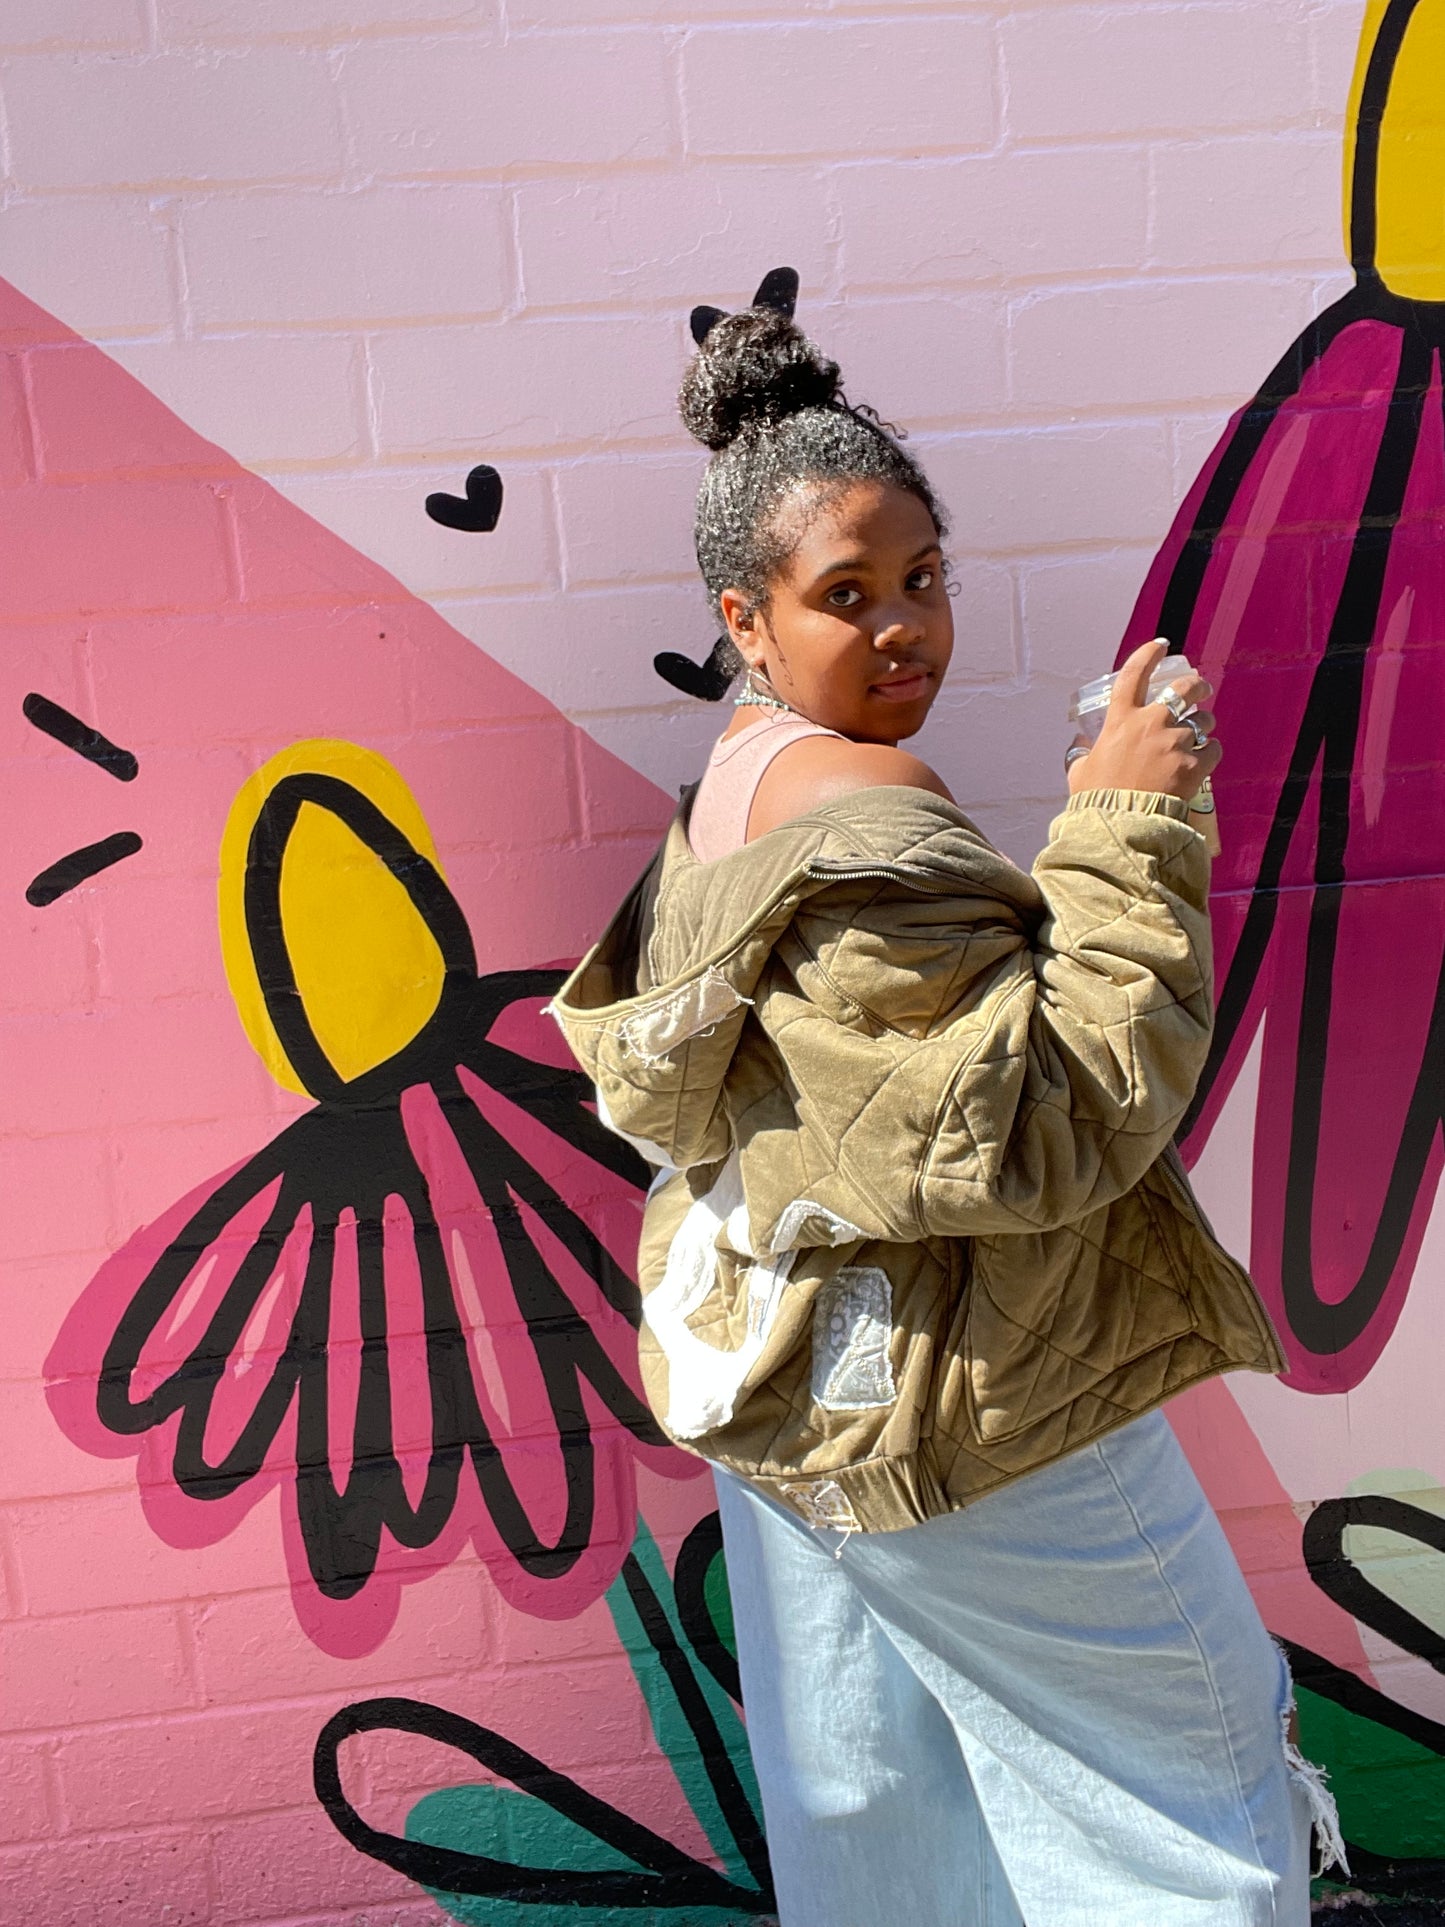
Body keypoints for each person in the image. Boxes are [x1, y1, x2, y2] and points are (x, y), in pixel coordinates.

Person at [549, 306, 1343, 1925]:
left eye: (923, 578)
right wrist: (1127, 817)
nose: (904, 627)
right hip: (978, 1398)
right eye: (845, 595)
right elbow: (1045, 1122)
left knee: (887, 1828)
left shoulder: (733, 789)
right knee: (1186, 1798)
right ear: (744, 618)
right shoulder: (868, 803)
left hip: (794, 1383)